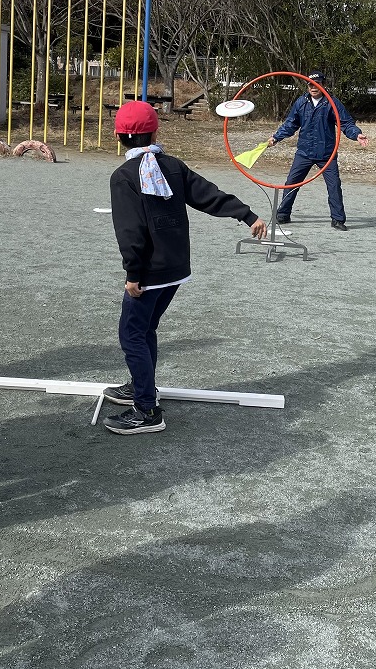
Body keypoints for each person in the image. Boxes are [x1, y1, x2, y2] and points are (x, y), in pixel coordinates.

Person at [102, 101, 268, 435]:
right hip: (176, 268)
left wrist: (133, 273)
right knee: (145, 329)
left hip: (149, 272)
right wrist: (246, 214)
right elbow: (208, 195)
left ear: (120, 135)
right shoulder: (172, 165)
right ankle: (140, 387)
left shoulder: (124, 176)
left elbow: (130, 230)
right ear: (155, 131)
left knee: (132, 334)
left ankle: (147, 410)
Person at [265, 71, 369, 230]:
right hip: (304, 152)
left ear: (323, 85)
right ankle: (283, 214)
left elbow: (346, 123)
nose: (314, 87)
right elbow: (291, 123)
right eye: (310, 84)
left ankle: (338, 220)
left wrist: (357, 135)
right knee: (291, 183)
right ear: (307, 86)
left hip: (326, 153)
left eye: (317, 83)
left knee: (334, 185)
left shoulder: (332, 103)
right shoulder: (301, 102)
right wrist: (276, 137)